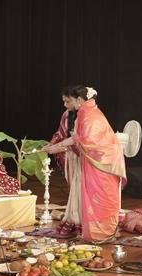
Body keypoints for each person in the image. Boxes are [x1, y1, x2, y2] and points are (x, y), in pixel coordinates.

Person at [44, 86, 126, 243]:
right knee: (95, 196)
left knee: (99, 196)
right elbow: (79, 138)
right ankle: (97, 233)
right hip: (97, 161)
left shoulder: (88, 114)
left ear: (79, 100)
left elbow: (80, 139)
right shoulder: (89, 112)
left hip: (101, 162)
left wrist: (55, 148)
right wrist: (56, 146)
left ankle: (101, 234)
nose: (68, 104)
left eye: (70, 101)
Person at [43, 87, 81, 236]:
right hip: (71, 157)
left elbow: (80, 140)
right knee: (73, 188)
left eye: (67, 101)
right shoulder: (66, 115)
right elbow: (60, 133)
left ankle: (81, 221)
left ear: (77, 99)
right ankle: (73, 216)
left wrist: (59, 148)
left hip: (82, 156)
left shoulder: (85, 117)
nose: (65, 105)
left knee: (80, 188)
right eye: (63, 101)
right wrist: (51, 144)